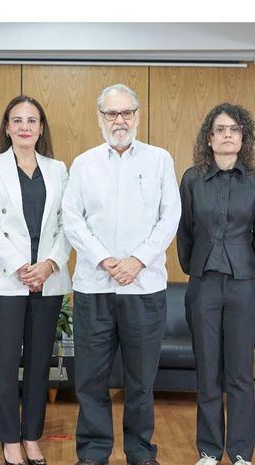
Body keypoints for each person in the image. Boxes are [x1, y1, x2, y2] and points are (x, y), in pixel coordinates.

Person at [62, 83, 181, 465]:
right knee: (91, 380)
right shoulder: (83, 163)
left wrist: (137, 260)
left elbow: (170, 217)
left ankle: (140, 452)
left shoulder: (160, 160)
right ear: (100, 118)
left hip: (144, 288)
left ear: (137, 116)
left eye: (127, 112)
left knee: (141, 381)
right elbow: (73, 220)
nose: (120, 120)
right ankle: (94, 452)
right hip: (95, 287)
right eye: (112, 113)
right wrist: (105, 260)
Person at [0, 95, 71, 465]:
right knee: (6, 362)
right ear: (7, 127)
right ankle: (9, 440)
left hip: (48, 279)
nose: (25, 126)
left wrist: (48, 264)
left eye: (32, 120)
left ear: (41, 127)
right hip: (3, 281)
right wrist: (20, 266)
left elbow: (67, 226)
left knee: (39, 362)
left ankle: (32, 437)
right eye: (17, 120)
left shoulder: (59, 169)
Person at [177, 103, 255, 465]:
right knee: (207, 371)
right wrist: (196, 267)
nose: (228, 135)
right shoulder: (193, 179)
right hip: (203, 284)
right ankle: (209, 450)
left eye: (235, 130)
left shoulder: (254, 180)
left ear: (244, 138)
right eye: (221, 129)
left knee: (241, 373)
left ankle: (240, 452)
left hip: (244, 285)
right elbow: (185, 233)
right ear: (209, 138)